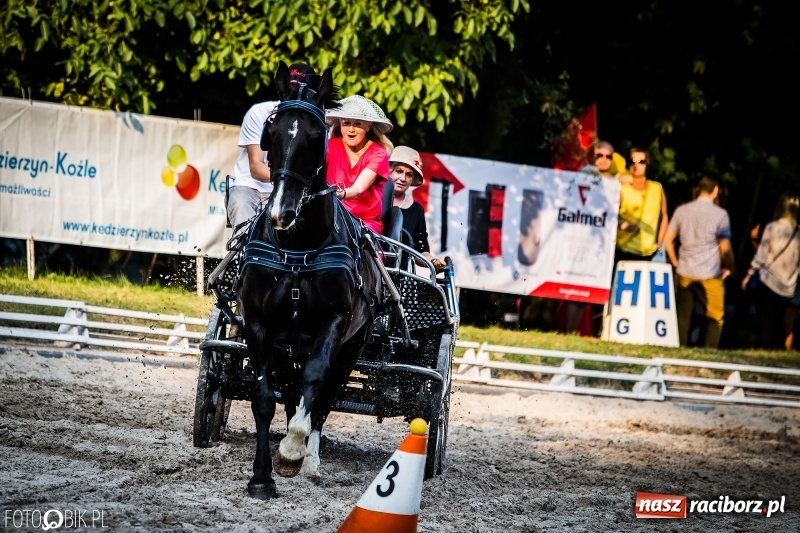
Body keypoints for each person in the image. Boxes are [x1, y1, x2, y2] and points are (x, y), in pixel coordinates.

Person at [226, 63, 316, 237]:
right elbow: (256, 168)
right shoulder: (259, 112)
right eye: (292, 87)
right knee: (241, 203)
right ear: (284, 86)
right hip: (252, 188)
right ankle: (242, 253)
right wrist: (291, 179)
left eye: (301, 89)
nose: (295, 94)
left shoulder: (317, 122)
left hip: (293, 191)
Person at [664, 174, 734, 348]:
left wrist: (675, 262)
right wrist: (729, 267)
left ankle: (680, 350)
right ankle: (709, 352)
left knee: (682, 315)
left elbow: (667, 239)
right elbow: (725, 248)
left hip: (685, 271)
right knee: (715, 316)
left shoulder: (682, 210)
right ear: (715, 190)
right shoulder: (721, 214)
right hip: (710, 273)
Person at [325, 95, 393, 233]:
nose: (351, 129)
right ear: (340, 123)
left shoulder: (378, 153)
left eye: (357, 124)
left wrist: (330, 195)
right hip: (329, 215)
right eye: (346, 123)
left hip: (364, 222)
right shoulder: (329, 146)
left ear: (368, 126)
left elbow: (358, 189)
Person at [740, 195, 800, 350]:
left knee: (765, 320)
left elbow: (761, 255)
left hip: (768, 281)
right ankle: (775, 349)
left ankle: (763, 349)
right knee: (779, 321)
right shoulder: (798, 232)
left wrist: (748, 275)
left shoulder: (772, 227)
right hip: (788, 287)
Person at [388, 145, 445, 269]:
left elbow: (421, 251)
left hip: (397, 278)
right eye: (398, 171)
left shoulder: (417, 211)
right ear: (389, 170)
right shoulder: (372, 198)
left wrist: (435, 262)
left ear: (413, 179)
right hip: (366, 274)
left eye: (409, 174)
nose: (403, 178)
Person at [615, 147, 669, 264]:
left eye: (641, 162)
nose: (636, 165)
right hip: (624, 250)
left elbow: (664, 216)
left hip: (649, 252)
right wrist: (624, 225)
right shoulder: (621, 188)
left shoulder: (657, 188)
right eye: (632, 161)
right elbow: (611, 216)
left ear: (647, 165)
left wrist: (659, 243)